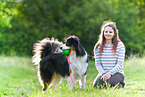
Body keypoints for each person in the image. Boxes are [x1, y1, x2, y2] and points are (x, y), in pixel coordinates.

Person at [93, 21, 125, 88]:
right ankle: (117, 85)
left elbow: (120, 64)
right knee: (96, 86)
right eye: (106, 31)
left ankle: (120, 84)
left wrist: (110, 73)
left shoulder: (120, 45)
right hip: (103, 73)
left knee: (108, 83)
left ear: (114, 33)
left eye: (110, 32)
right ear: (103, 33)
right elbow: (98, 64)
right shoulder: (98, 46)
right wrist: (104, 74)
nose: (108, 34)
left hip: (117, 73)